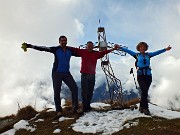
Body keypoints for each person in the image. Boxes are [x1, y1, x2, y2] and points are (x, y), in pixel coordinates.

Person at [21, 35, 80, 117]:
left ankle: (75, 108)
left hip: (67, 73)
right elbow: (43, 48)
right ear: (59, 42)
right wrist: (30, 46)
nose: (64, 42)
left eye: (65, 40)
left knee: (74, 88)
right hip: (57, 73)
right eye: (62, 41)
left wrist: (92, 52)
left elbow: (82, 54)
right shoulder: (56, 49)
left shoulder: (70, 50)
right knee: (57, 91)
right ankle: (59, 110)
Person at [119, 42, 172, 115]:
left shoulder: (148, 55)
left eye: (143, 47)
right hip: (140, 75)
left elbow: (157, 52)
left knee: (145, 92)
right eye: (141, 47)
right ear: (139, 48)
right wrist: (120, 47)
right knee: (144, 90)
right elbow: (128, 51)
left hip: (148, 75)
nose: (142, 48)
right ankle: (146, 108)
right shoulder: (136, 55)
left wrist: (165, 49)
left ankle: (141, 106)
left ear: (145, 48)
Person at [68, 41, 119, 112]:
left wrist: (113, 49)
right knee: (84, 91)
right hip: (84, 74)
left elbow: (104, 52)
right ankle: (85, 107)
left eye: (91, 46)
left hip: (92, 75)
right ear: (86, 46)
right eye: (88, 46)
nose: (90, 47)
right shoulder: (82, 52)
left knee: (90, 91)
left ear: (93, 47)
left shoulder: (96, 53)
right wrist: (65, 46)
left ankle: (87, 106)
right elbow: (74, 49)